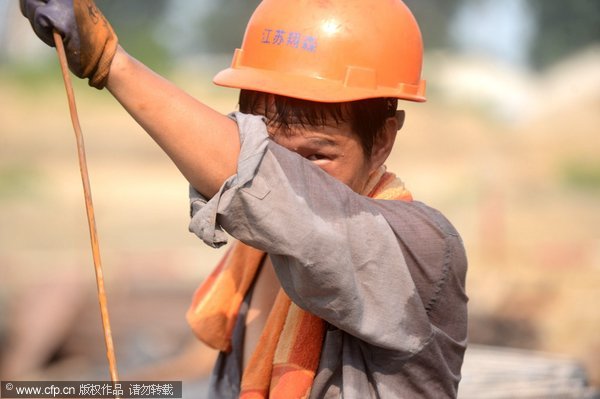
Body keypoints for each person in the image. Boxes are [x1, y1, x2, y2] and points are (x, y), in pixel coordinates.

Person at [20, 0, 468, 397]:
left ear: (384, 139)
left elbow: (260, 177)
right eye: (272, 151)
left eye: (315, 157)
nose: (289, 174)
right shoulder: (254, 258)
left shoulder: (422, 250)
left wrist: (110, 61)